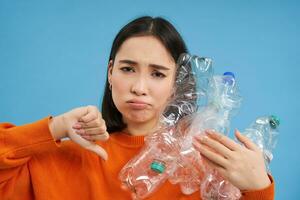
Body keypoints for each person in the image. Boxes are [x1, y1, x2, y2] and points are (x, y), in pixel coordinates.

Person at [0, 16, 274, 200]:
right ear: (110, 73)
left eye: (157, 74)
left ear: (178, 83)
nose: (139, 87)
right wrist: (54, 127)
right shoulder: (64, 157)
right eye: (128, 69)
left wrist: (258, 188)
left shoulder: (206, 165)